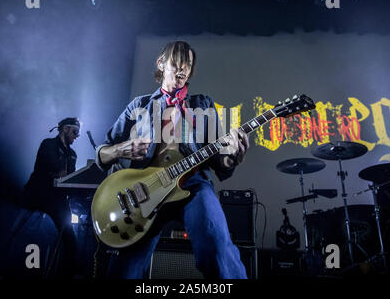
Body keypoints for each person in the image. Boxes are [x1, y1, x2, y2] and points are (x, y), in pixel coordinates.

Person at [96, 41, 250, 279]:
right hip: (144, 191)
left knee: (216, 246)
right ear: (161, 63)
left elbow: (219, 162)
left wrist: (233, 159)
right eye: (177, 62)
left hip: (193, 185)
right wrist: (120, 150)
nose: (183, 69)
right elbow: (101, 153)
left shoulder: (202, 104)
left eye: (188, 64)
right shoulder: (140, 105)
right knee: (125, 269)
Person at [23, 117, 81, 278]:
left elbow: (69, 178)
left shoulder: (72, 154)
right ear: (65, 129)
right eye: (75, 132)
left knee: (69, 238)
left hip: (57, 200)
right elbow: (55, 167)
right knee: (23, 231)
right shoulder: (48, 144)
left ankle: (69, 274)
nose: (77, 136)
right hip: (37, 195)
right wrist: (62, 173)